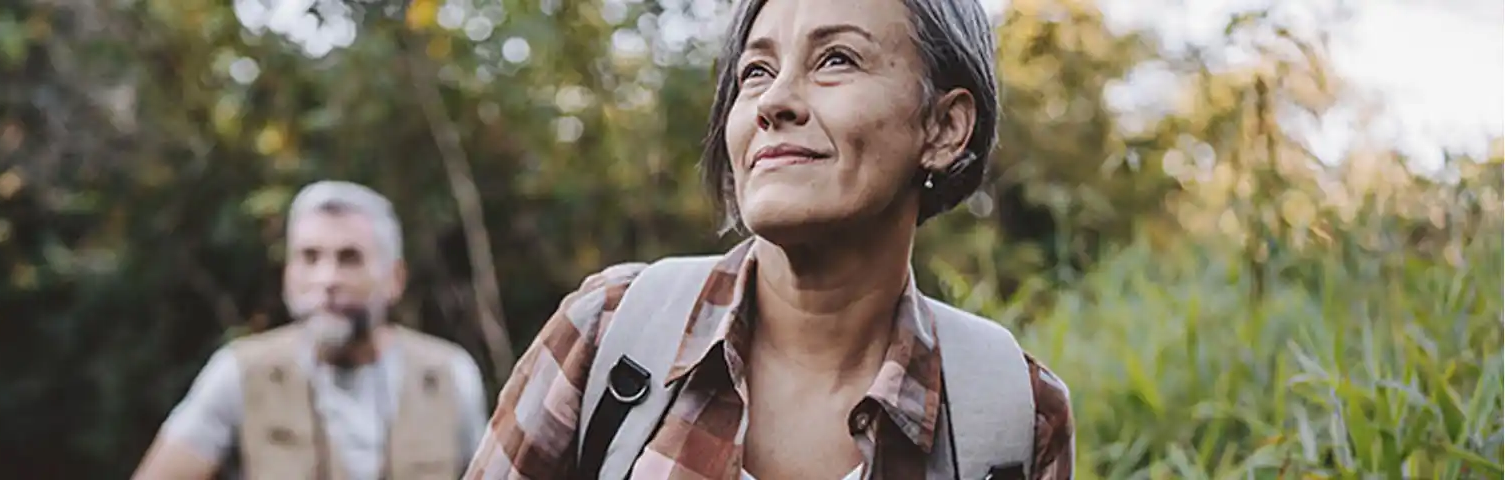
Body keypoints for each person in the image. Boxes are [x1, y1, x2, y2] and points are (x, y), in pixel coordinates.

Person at [465, 0, 1073, 478]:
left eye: (836, 59)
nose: (774, 101)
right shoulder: (609, 333)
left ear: (944, 127)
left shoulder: (1014, 412)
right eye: (755, 71)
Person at [134, 181, 488, 480]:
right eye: (310, 257)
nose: (327, 279)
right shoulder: (243, 373)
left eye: (349, 258)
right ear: (289, 273)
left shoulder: (448, 376)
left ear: (394, 278)